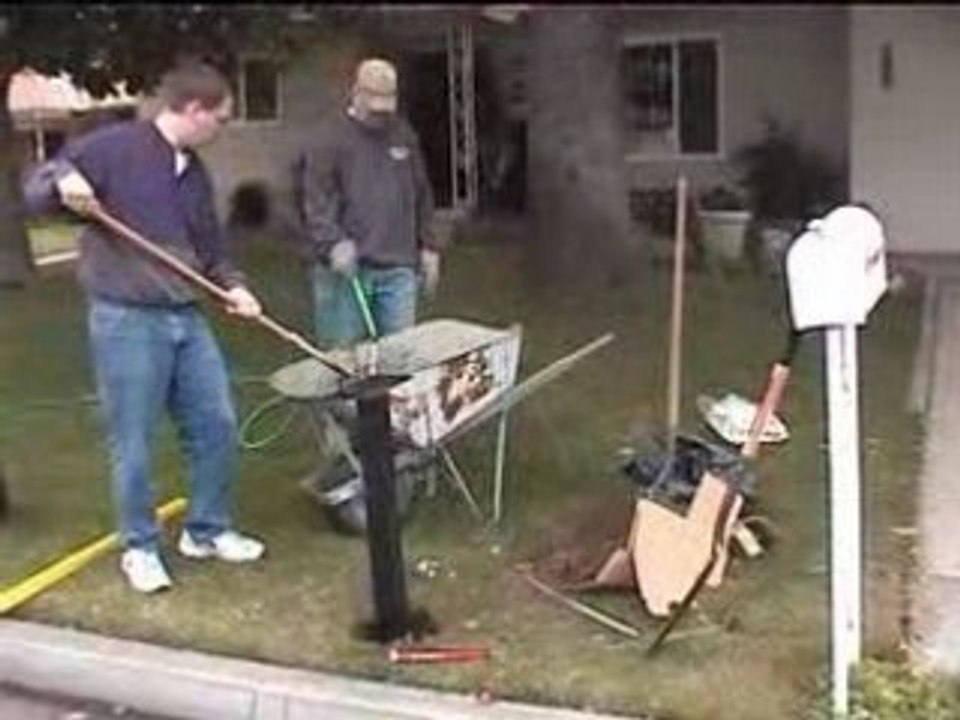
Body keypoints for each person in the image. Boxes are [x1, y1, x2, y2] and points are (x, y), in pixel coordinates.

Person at [24, 60, 266, 594]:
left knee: (217, 423)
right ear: (194, 110)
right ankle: (139, 546)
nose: (222, 129)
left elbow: (210, 249)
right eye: (222, 119)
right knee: (133, 438)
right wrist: (63, 179)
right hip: (126, 318)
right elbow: (38, 186)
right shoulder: (114, 147)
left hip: (186, 315)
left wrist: (236, 285)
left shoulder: (194, 172)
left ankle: (206, 529)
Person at [296, 57, 442, 348]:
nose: (380, 117)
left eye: (386, 108)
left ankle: (389, 396)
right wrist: (333, 242)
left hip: (399, 268)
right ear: (356, 94)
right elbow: (316, 201)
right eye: (373, 109)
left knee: (399, 359)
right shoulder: (328, 139)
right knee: (345, 365)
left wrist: (429, 245)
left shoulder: (403, 134)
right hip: (348, 270)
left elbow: (421, 192)